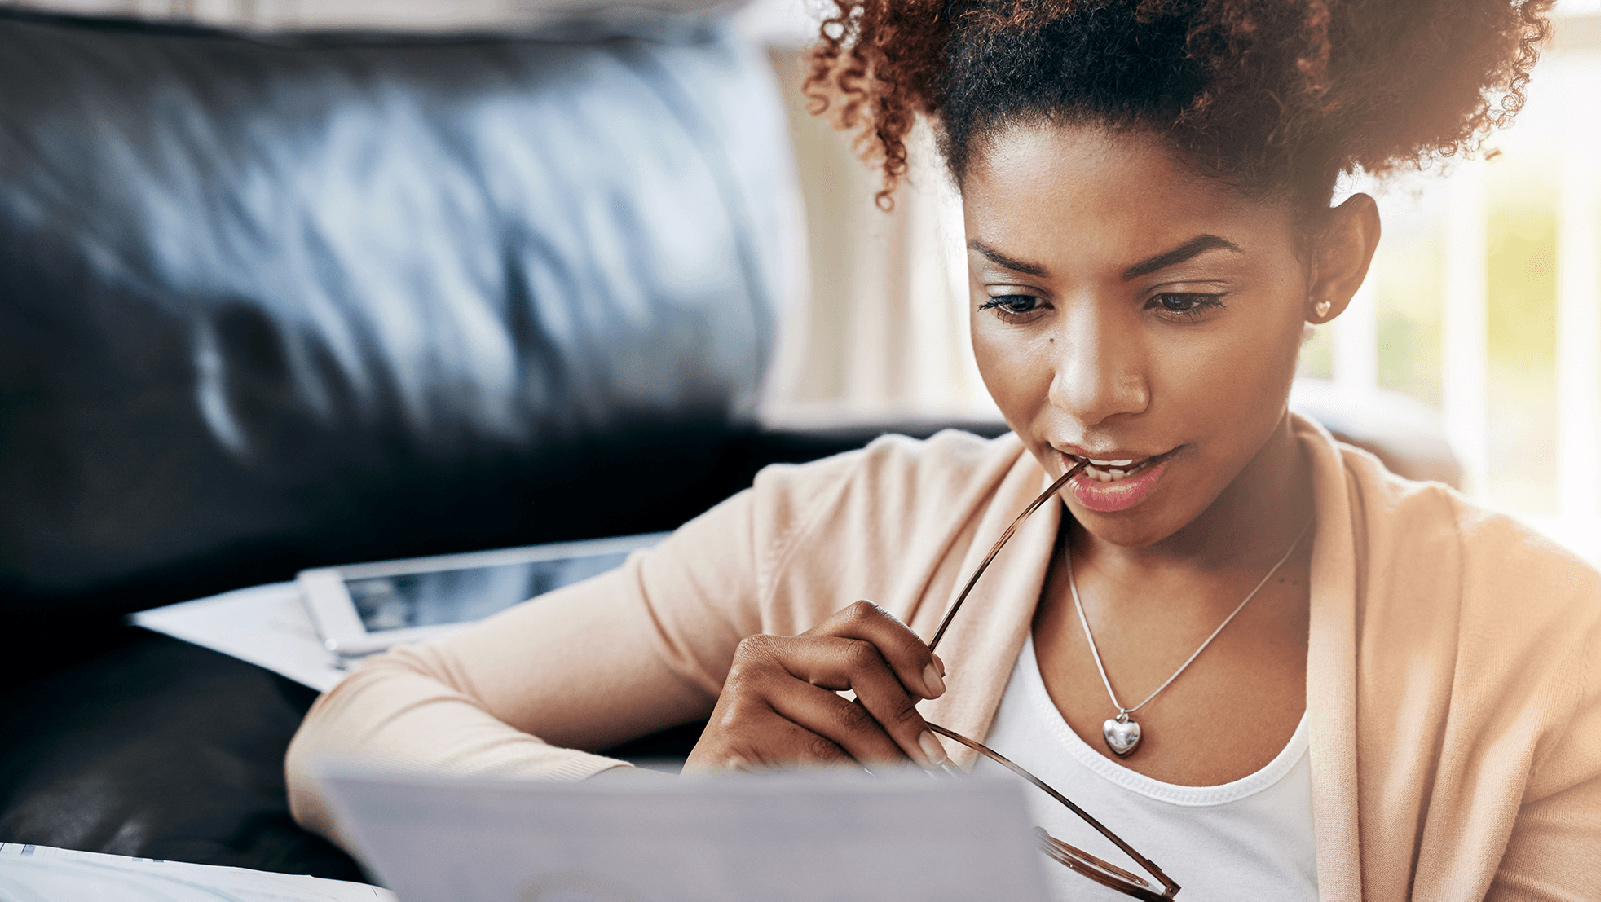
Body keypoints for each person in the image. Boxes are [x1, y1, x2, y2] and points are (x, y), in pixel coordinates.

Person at [286, 0, 1601, 897]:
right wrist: (680, 840)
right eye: (1017, 299)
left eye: (1178, 298)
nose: (1087, 392)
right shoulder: (838, 534)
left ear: (1332, 263)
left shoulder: (1537, 654)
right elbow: (355, 722)